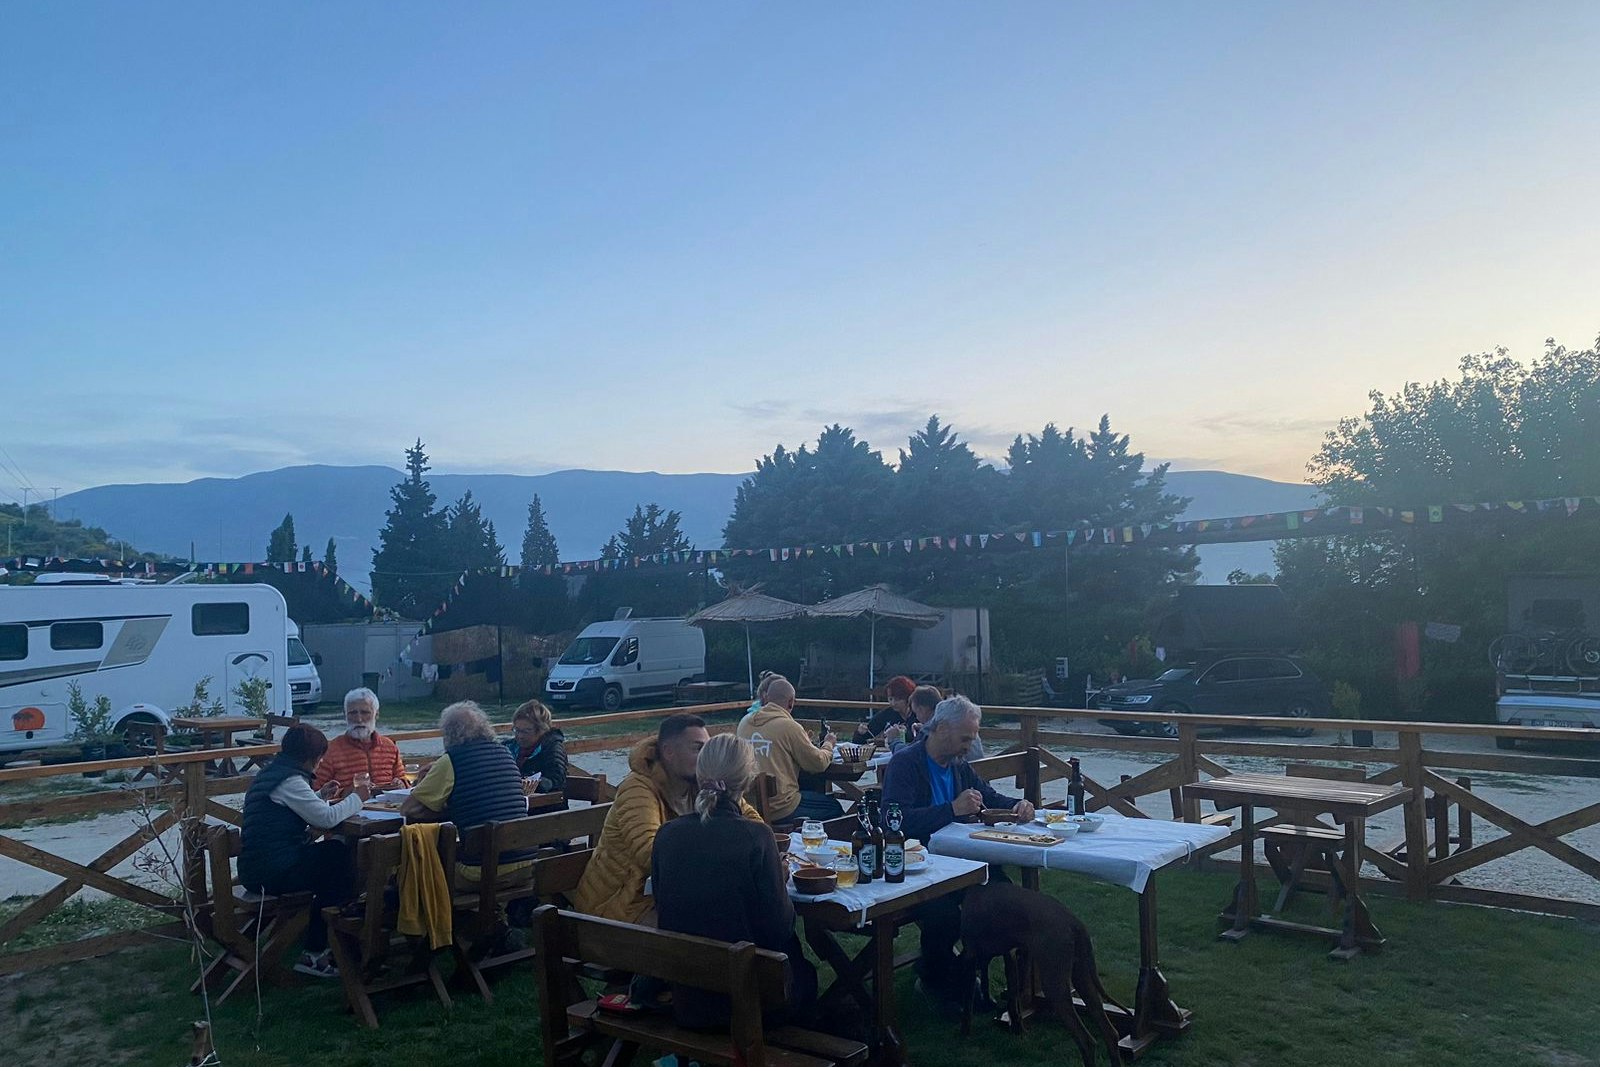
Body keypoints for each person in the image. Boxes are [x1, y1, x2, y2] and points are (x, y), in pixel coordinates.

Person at [652, 734, 817, 1029]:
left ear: (700, 775)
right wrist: (778, 879)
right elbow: (780, 927)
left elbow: (665, 907)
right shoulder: (757, 837)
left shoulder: (667, 835)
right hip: (753, 1000)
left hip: (689, 999)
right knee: (806, 976)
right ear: (749, 779)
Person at [881, 695, 1034, 1003]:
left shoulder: (959, 766)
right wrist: (951, 809)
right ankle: (937, 979)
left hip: (964, 861)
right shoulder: (906, 763)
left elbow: (987, 796)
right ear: (942, 730)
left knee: (1003, 896)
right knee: (944, 916)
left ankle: (966, 969)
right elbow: (894, 820)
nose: (970, 744)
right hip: (921, 865)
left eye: (973, 737)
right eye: (966, 737)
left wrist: (1016, 805)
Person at [572, 714, 761, 924]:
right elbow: (650, 854)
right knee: (709, 926)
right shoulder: (638, 788)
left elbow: (751, 821)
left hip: (668, 896)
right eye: (698, 749)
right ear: (669, 752)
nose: (705, 757)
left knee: (738, 916)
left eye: (707, 749)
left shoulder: (702, 783)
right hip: (620, 906)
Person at [238, 724, 367, 978]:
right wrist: (358, 797)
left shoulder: (273, 774)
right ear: (311, 757)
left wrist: (319, 795)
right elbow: (327, 820)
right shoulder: (290, 781)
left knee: (333, 858)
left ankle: (331, 942)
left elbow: (291, 810)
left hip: (258, 867)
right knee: (338, 860)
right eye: (319, 758)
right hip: (272, 872)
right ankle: (318, 949)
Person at [402, 701, 532, 876]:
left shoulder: (451, 761)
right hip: (527, 863)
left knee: (428, 871)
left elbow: (409, 809)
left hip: (481, 871)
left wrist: (450, 807)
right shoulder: (506, 753)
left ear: (449, 734)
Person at [737, 676, 842, 822]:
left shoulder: (744, 723)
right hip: (781, 807)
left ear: (766, 698)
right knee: (834, 807)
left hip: (749, 805)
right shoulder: (789, 727)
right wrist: (828, 744)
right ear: (791, 702)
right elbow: (817, 763)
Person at [312, 687, 410, 799]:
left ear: (376, 714)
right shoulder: (331, 750)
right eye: (353, 713)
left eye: (365, 712)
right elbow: (316, 792)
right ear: (345, 715)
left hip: (387, 809)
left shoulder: (389, 747)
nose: (359, 719)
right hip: (348, 813)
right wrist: (346, 793)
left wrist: (401, 783)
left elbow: (403, 779)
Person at [899, 684, 983, 760]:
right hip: (982, 768)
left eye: (916, 712)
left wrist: (894, 741)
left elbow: (908, 756)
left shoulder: (928, 731)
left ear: (922, 709)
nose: (916, 717)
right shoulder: (964, 724)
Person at [502, 698, 567, 794]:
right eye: (517, 730)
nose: (520, 736)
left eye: (526, 731)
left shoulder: (553, 748)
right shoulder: (507, 746)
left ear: (542, 730)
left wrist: (533, 784)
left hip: (547, 805)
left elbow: (556, 780)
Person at [853, 675, 916, 745]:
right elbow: (860, 740)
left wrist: (906, 734)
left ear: (908, 698)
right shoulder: (886, 714)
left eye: (898, 699)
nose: (893, 703)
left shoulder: (918, 713)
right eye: (890, 699)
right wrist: (860, 733)